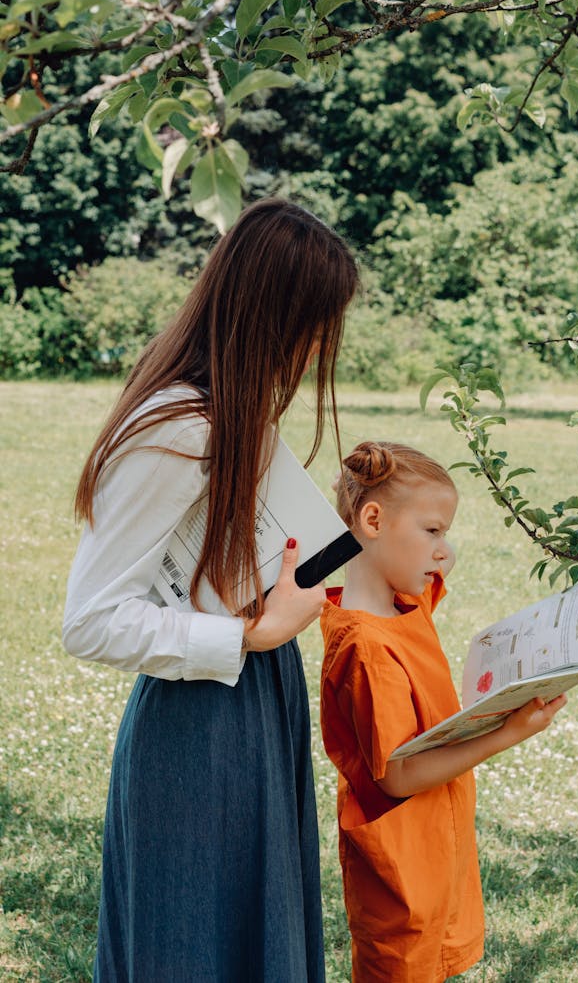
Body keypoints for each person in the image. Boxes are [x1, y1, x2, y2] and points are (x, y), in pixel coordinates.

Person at [63, 197, 359, 982]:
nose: (318, 350)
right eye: (315, 328)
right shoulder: (178, 427)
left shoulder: (231, 413)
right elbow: (89, 620)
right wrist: (249, 635)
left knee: (253, 939)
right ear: (276, 317)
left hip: (259, 701)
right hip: (199, 726)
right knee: (191, 945)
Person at [320, 441, 567, 983]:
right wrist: (506, 733)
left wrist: (436, 554)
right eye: (432, 531)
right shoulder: (364, 647)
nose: (442, 550)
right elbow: (398, 775)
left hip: (434, 851)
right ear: (373, 519)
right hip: (401, 876)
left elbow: (424, 588)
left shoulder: (401, 604)